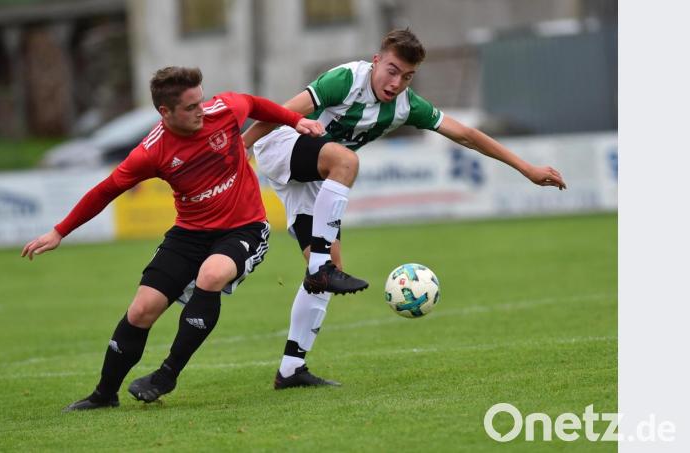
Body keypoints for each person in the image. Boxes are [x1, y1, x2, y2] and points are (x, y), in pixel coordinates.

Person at [241, 28, 567, 389]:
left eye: (407, 76)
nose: (396, 83)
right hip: (283, 143)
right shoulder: (347, 78)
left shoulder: (407, 106)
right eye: (392, 70)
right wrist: (242, 149)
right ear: (377, 61)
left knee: (327, 271)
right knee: (345, 162)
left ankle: (291, 369)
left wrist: (527, 169)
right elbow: (280, 113)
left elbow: (467, 135)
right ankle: (321, 267)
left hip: (315, 173)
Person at [21, 66, 325, 411]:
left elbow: (254, 104)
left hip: (245, 229)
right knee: (141, 310)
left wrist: (294, 121)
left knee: (211, 276)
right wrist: (60, 231)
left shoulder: (223, 110)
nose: (202, 110)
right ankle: (104, 394)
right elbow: (105, 191)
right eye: (191, 106)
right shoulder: (152, 151)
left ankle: (167, 375)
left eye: (201, 100)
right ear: (165, 112)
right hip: (189, 234)